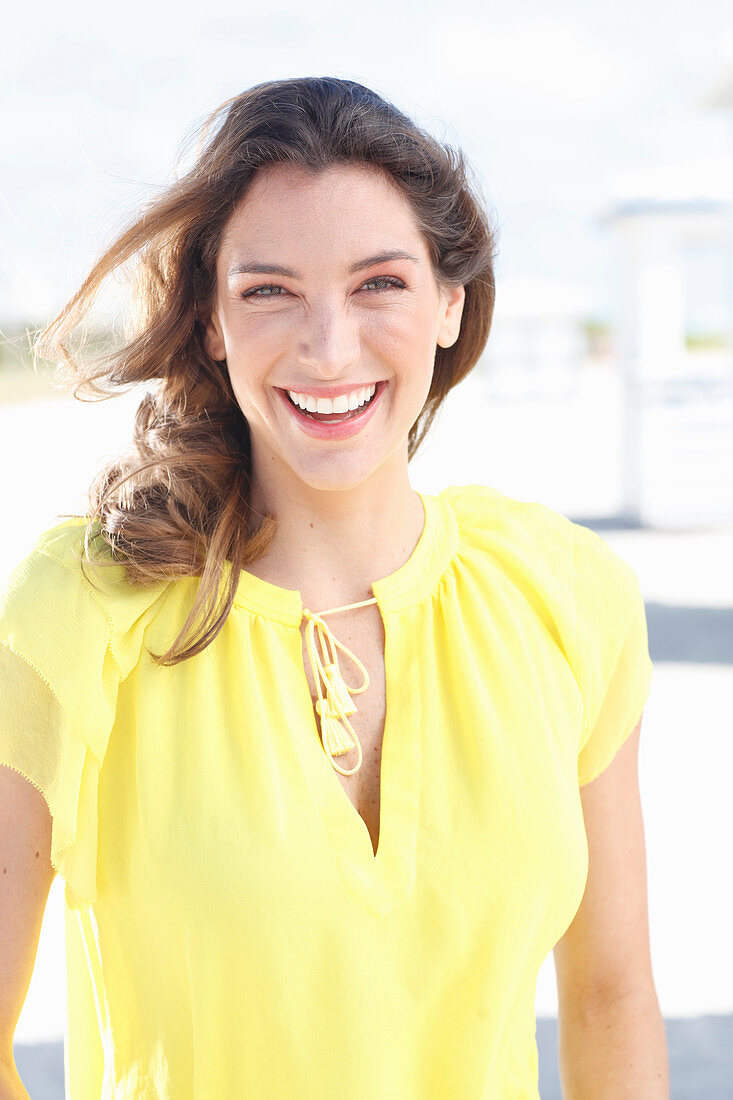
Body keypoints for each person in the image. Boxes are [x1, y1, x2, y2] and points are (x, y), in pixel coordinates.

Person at [0, 77, 668, 1099]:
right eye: (269, 289)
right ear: (211, 320)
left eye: (378, 284)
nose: (328, 346)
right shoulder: (85, 606)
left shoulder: (564, 592)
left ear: (448, 302)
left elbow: (610, 996)